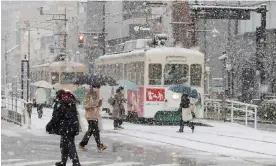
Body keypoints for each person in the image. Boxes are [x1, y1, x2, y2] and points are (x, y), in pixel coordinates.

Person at [46, 90, 81, 166]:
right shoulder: (71, 101)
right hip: (72, 125)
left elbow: (56, 116)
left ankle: (76, 162)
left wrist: (49, 125)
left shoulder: (61, 103)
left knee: (69, 144)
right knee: (64, 144)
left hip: (66, 127)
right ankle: (63, 161)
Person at [79, 84, 106, 151]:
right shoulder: (88, 95)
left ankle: (82, 145)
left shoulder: (96, 95)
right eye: (96, 87)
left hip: (95, 115)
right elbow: (86, 105)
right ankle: (99, 145)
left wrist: (100, 102)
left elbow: (97, 105)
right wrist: (94, 104)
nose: (97, 89)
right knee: (95, 131)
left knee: (91, 131)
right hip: (90, 116)